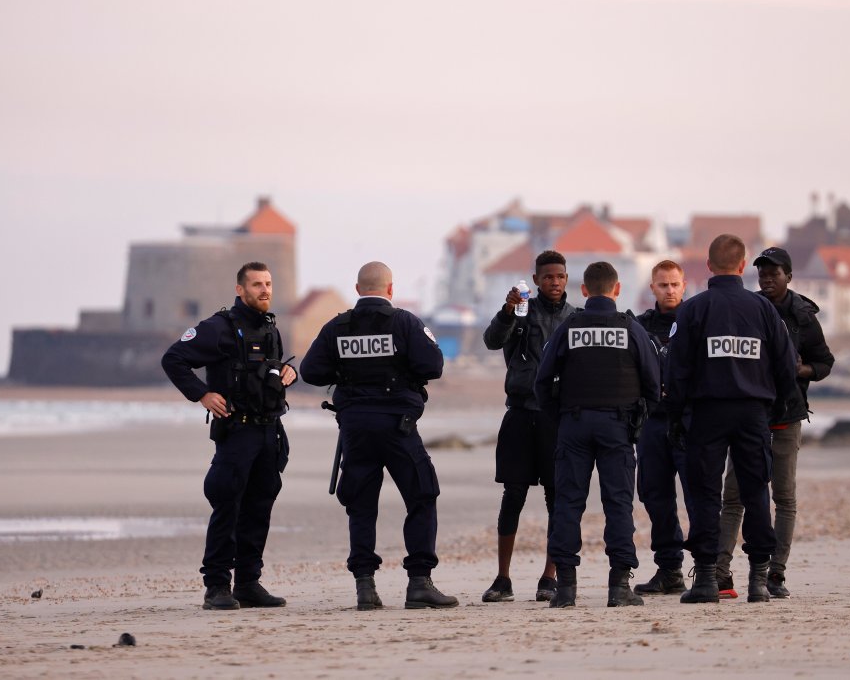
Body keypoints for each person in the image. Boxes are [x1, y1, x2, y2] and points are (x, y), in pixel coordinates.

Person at [299, 261, 458, 610]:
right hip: (397, 426)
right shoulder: (405, 322)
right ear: (390, 289)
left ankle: (365, 587)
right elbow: (433, 366)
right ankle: (419, 583)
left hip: (356, 428)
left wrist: (344, 372)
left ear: (358, 290)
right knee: (421, 496)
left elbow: (310, 371)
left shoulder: (337, 326)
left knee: (361, 505)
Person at [665, 235, 797, 604]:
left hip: (706, 412)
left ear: (708, 266)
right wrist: (776, 408)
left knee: (706, 495)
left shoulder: (693, 310)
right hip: (753, 412)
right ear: (742, 267)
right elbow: (786, 365)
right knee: (756, 492)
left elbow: (677, 370)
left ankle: (706, 579)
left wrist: (676, 416)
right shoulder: (764, 310)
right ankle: (758, 580)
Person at [162, 261, 297, 611]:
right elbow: (174, 359)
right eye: (256, 285)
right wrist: (202, 394)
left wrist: (288, 372)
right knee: (227, 505)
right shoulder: (217, 328)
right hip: (236, 432)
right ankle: (217, 586)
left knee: (260, 507)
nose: (264, 290)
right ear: (240, 290)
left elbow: (272, 372)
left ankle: (249, 584)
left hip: (268, 430)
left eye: (268, 284)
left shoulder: (271, 329)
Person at [534, 261, 661, 608]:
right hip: (618, 426)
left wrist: (559, 417)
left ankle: (566, 590)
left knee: (567, 505)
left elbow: (542, 381)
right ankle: (619, 587)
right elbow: (654, 383)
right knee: (618, 504)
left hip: (573, 424)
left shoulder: (568, 327)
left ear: (584, 290)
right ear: (617, 290)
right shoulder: (631, 328)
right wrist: (640, 420)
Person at [716, 247, 835, 598]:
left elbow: (825, 361)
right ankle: (720, 572)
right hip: (747, 416)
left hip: (786, 416)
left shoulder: (803, 315)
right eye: (762, 274)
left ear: (789, 276)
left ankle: (775, 574)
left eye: (774, 274)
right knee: (733, 496)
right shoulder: (748, 309)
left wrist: (801, 371)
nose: (767, 279)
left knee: (783, 496)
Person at [480, 250, 577, 604]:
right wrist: (507, 312)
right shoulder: (521, 311)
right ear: (535, 280)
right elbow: (492, 341)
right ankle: (503, 578)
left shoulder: (574, 318)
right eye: (548, 277)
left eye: (560, 276)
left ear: (567, 279)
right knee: (513, 496)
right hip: (520, 412)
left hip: (557, 417)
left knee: (557, 498)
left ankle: (549, 578)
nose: (554, 282)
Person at [631, 260, 696, 596]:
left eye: (674, 284)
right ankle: (670, 568)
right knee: (655, 495)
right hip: (653, 422)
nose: (669, 291)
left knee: (698, 495)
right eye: (662, 285)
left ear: (684, 285)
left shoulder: (697, 321)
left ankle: (707, 568)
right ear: (652, 288)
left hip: (691, 421)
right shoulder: (639, 327)